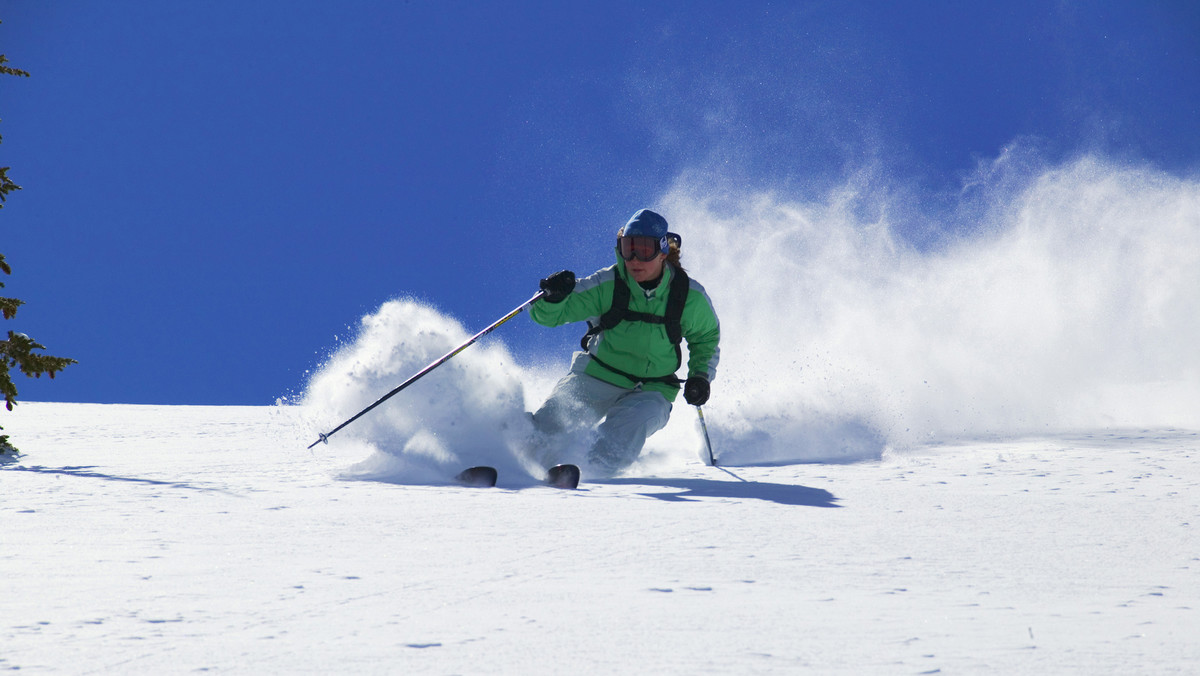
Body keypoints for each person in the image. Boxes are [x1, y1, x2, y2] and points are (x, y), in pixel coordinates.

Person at [527, 208, 720, 476]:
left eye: (644, 249)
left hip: (653, 388)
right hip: (597, 375)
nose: (634, 258)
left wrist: (700, 376)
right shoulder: (609, 284)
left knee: (630, 426)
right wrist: (552, 297)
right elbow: (549, 316)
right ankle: (513, 460)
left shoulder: (689, 296)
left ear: (663, 251)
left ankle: (595, 474)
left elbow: (706, 338)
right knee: (551, 426)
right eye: (628, 248)